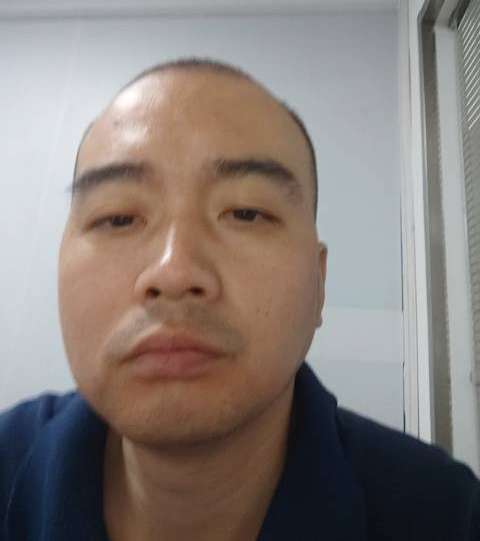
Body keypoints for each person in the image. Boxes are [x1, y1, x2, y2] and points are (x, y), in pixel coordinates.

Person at [0, 57, 479, 541]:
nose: (174, 272)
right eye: (118, 218)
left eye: (246, 213)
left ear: (318, 284)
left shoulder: (444, 513)